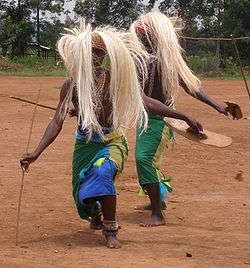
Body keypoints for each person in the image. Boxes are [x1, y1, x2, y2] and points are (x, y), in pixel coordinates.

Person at [20, 22, 203, 249]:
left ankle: (110, 229)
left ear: (105, 55)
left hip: (112, 142)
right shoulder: (71, 85)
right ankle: (94, 212)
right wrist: (37, 152)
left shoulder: (115, 79)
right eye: (91, 52)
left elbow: (147, 102)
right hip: (85, 144)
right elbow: (57, 120)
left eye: (99, 53)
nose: (95, 57)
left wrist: (183, 115)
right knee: (83, 198)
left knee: (102, 172)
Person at [130, 12, 229, 227]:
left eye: (142, 36)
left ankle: (157, 214)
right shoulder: (138, 60)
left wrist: (216, 106)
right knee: (148, 161)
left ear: (152, 38)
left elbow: (189, 87)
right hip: (145, 119)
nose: (139, 39)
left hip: (159, 120)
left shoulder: (165, 61)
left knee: (144, 159)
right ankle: (157, 202)